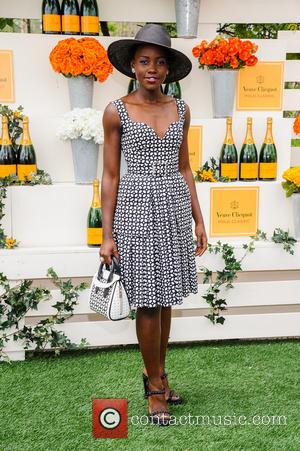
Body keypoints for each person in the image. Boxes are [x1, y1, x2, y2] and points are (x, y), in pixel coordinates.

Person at [100, 23, 207, 426]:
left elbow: (184, 167)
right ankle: (155, 391)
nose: (152, 68)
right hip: (136, 209)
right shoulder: (117, 110)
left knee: (165, 301)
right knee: (146, 299)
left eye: (160, 62)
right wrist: (107, 235)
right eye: (145, 61)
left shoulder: (181, 108)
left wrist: (198, 219)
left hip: (175, 208)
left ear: (169, 70)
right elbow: (110, 176)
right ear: (132, 65)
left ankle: (157, 373)